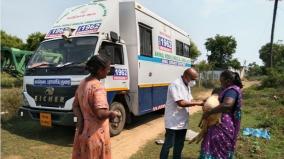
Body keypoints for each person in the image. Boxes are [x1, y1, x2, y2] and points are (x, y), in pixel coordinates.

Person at [72, 54, 119, 159]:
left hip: (82, 133)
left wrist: (81, 120)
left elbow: (75, 106)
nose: (108, 72)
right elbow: (100, 114)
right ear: (100, 70)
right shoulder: (98, 86)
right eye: (107, 69)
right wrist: (112, 113)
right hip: (96, 136)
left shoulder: (83, 83)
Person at [160, 68, 204, 159]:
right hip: (173, 121)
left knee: (179, 145)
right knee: (169, 144)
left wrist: (202, 101)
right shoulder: (175, 84)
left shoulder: (187, 85)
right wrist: (198, 103)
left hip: (182, 121)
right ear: (187, 76)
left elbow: (190, 100)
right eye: (193, 79)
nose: (194, 81)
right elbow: (181, 103)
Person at [199, 70, 243, 159]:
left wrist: (209, 112)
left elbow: (227, 104)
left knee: (219, 152)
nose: (220, 82)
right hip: (219, 123)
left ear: (228, 80)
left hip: (222, 126)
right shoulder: (229, 89)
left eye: (221, 80)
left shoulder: (232, 90)